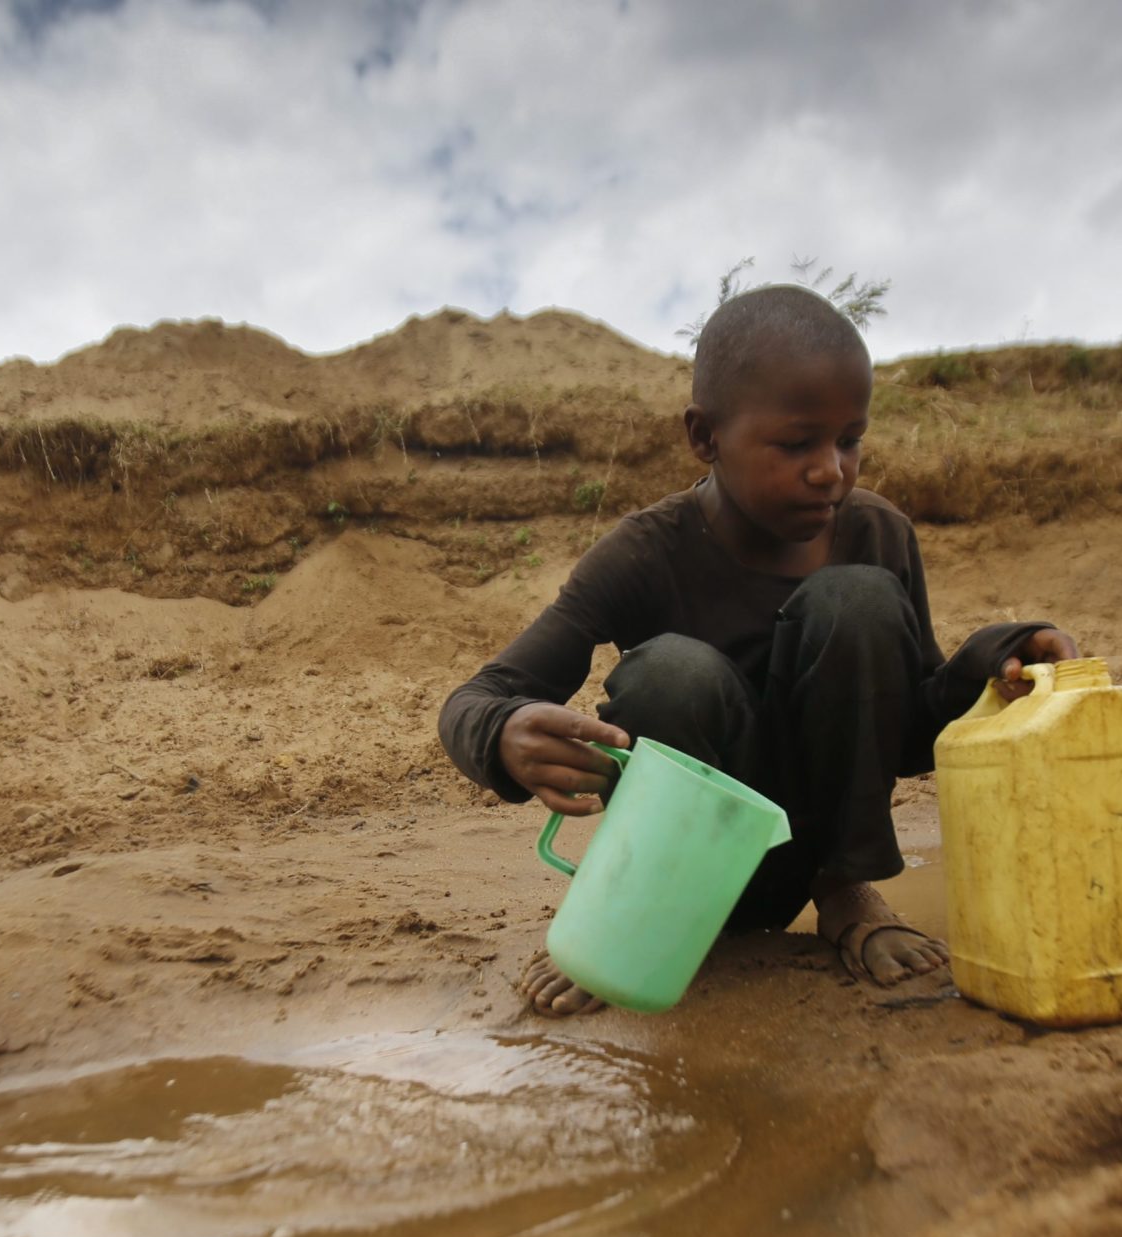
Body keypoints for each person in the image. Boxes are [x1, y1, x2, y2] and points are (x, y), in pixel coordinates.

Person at [436, 283, 1080, 1016]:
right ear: (706, 438)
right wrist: (505, 734)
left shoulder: (877, 535)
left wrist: (1000, 658)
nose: (831, 470)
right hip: (687, 858)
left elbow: (905, 733)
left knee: (857, 601)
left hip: (818, 852)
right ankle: (643, 916)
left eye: (849, 439)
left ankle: (849, 898)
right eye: (797, 442)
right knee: (671, 672)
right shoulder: (643, 555)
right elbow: (474, 700)